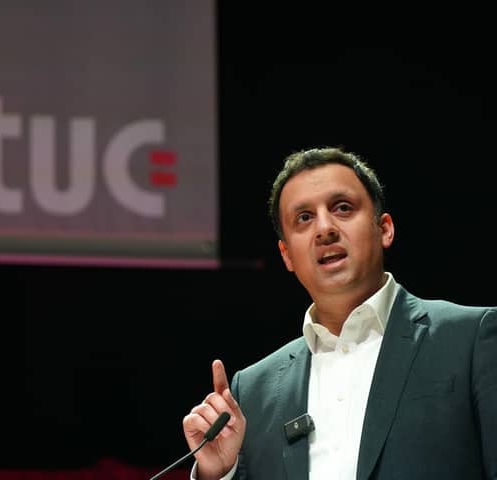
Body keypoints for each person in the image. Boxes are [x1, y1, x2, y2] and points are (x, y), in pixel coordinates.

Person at [182, 146, 497, 479]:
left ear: (385, 228)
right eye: (304, 218)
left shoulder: (471, 338)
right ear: (286, 255)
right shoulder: (254, 390)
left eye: (342, 208)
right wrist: (218, 475)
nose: (324, 229)